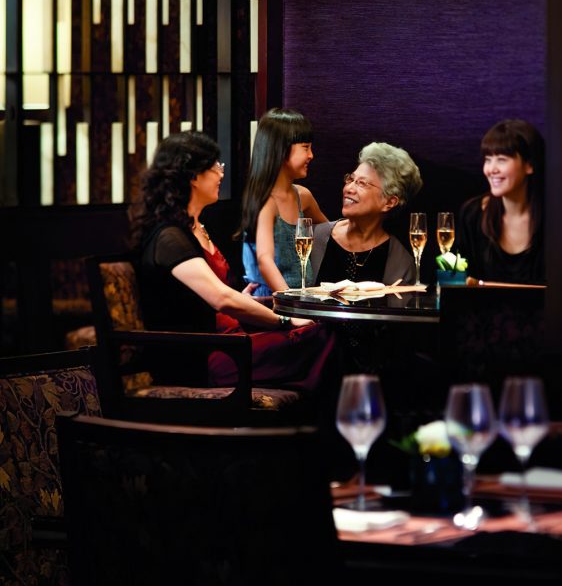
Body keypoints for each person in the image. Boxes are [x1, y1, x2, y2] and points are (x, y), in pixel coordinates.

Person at [130, 132, 333, 391]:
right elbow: (221, 298)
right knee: (321, 337)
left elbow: (211, 298)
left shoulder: (195, 227)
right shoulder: (169, 238)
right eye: (215, 166)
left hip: (226, 342)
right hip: (199, 356)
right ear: (193, 176)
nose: (221, 173)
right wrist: (284, 320)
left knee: (322, 331)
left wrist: (248, 303)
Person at [236, 108, 328, 297]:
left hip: (302, 298)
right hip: (271, 301)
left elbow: (329, 233)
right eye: (305, 147)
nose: (311, 155)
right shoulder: (266, 202)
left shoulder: (303, 196)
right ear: (281, 150)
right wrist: (290, 302)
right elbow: (265, 260)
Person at [310, 141, 421, 285]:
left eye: (362, 183)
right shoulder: (314, 238)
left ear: (389, 202)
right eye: (351, 179)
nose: (349, 188)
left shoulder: (400, 262)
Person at [455, 118, 545, 285]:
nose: (491, 169)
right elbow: (459, 282)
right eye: (488, 159)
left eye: (502, 159)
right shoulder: (472, 214)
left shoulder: (556, 220)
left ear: (529, 165)